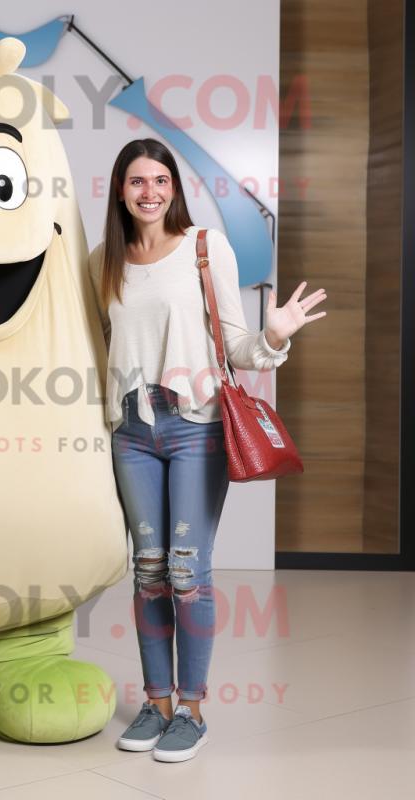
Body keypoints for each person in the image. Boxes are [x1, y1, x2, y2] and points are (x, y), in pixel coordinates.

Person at [88, 138, 326, 762]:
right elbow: (98, 348)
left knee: (187, 573)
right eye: (137, 181)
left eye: (160, 180)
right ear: (119, 190)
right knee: (149, 571)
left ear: (174, 188)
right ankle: (157, 702)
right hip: (132, 432)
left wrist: (274, 337)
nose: (150, 192)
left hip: (194, 425)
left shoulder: (203, 246)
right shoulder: (102, 262)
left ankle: (191, 709)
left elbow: (239, 344)